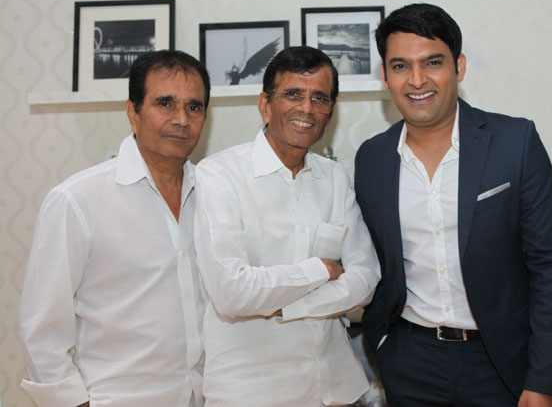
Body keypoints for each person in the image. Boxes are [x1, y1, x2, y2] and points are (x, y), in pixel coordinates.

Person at [354, 3, 552, 407]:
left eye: (432, 62)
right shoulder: (372, 158)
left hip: (502, 363)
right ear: (385, 75)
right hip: (410, 363)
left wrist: (545, 378)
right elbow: (377, 263)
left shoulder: (515, 142)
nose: (417, 80)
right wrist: (384, 344)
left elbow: (549, 268)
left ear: (459, 66)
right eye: (400, 66)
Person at [18, 50, 210, 407]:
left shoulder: (215, 196)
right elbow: (42, 331)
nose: (182, 120)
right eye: (165, 103)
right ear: (133, 112)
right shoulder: (77, 201)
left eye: (194, 107)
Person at [193, 46, 380, 407]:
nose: (307, 108)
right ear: (265, 104)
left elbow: (366, 278)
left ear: (330, 114)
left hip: (334, 387)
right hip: (252, 391)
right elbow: (231, 293)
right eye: (293, 94)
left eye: (319, 98)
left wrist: (287, 306)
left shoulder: (335, 177)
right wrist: (321, 270)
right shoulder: (220, 175)